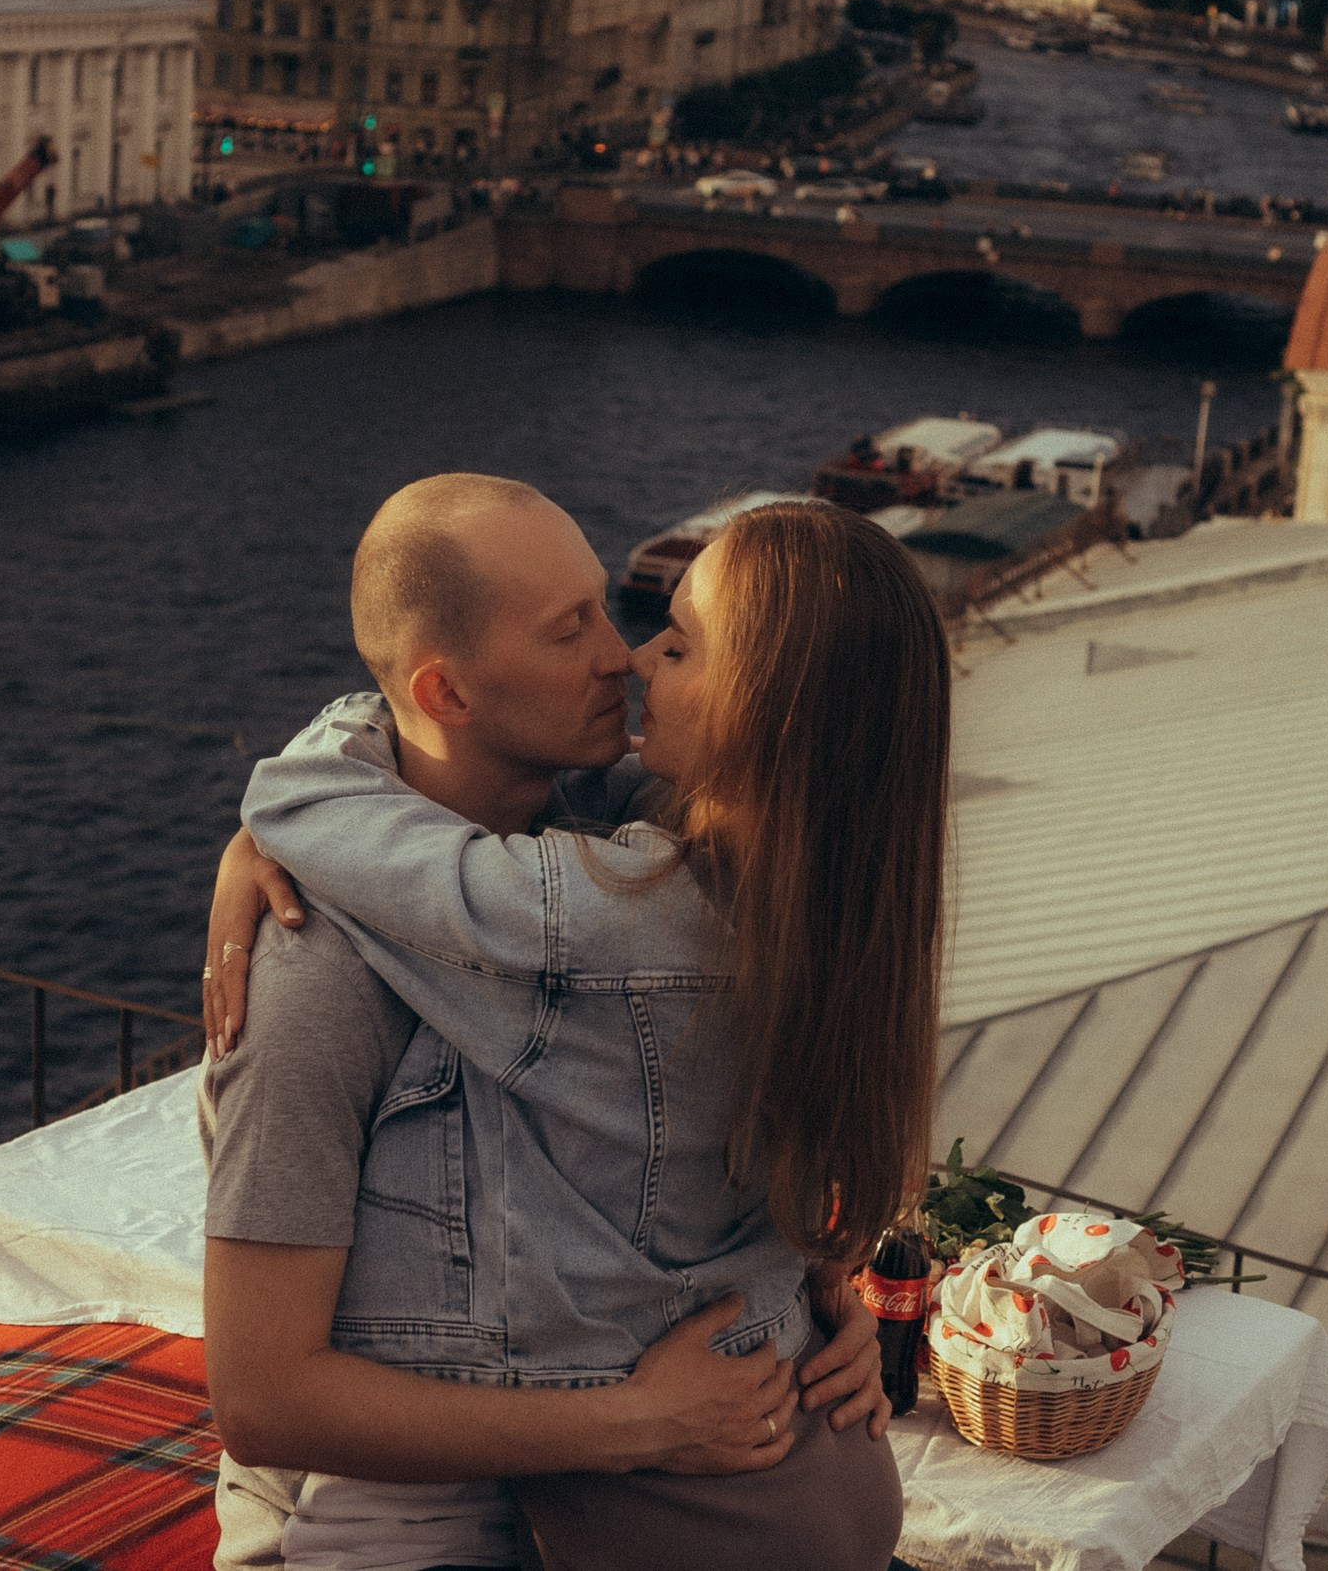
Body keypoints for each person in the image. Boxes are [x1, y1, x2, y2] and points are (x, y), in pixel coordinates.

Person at [202, 476, 950, 1570]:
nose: (626, 654)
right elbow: (264, 1399)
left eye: (650, 630)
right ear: (449, 693)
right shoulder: (320, 965)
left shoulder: (629, 882)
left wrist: (796, 1287)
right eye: (575, 627)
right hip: (406, 1516)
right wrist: (645, 1415)